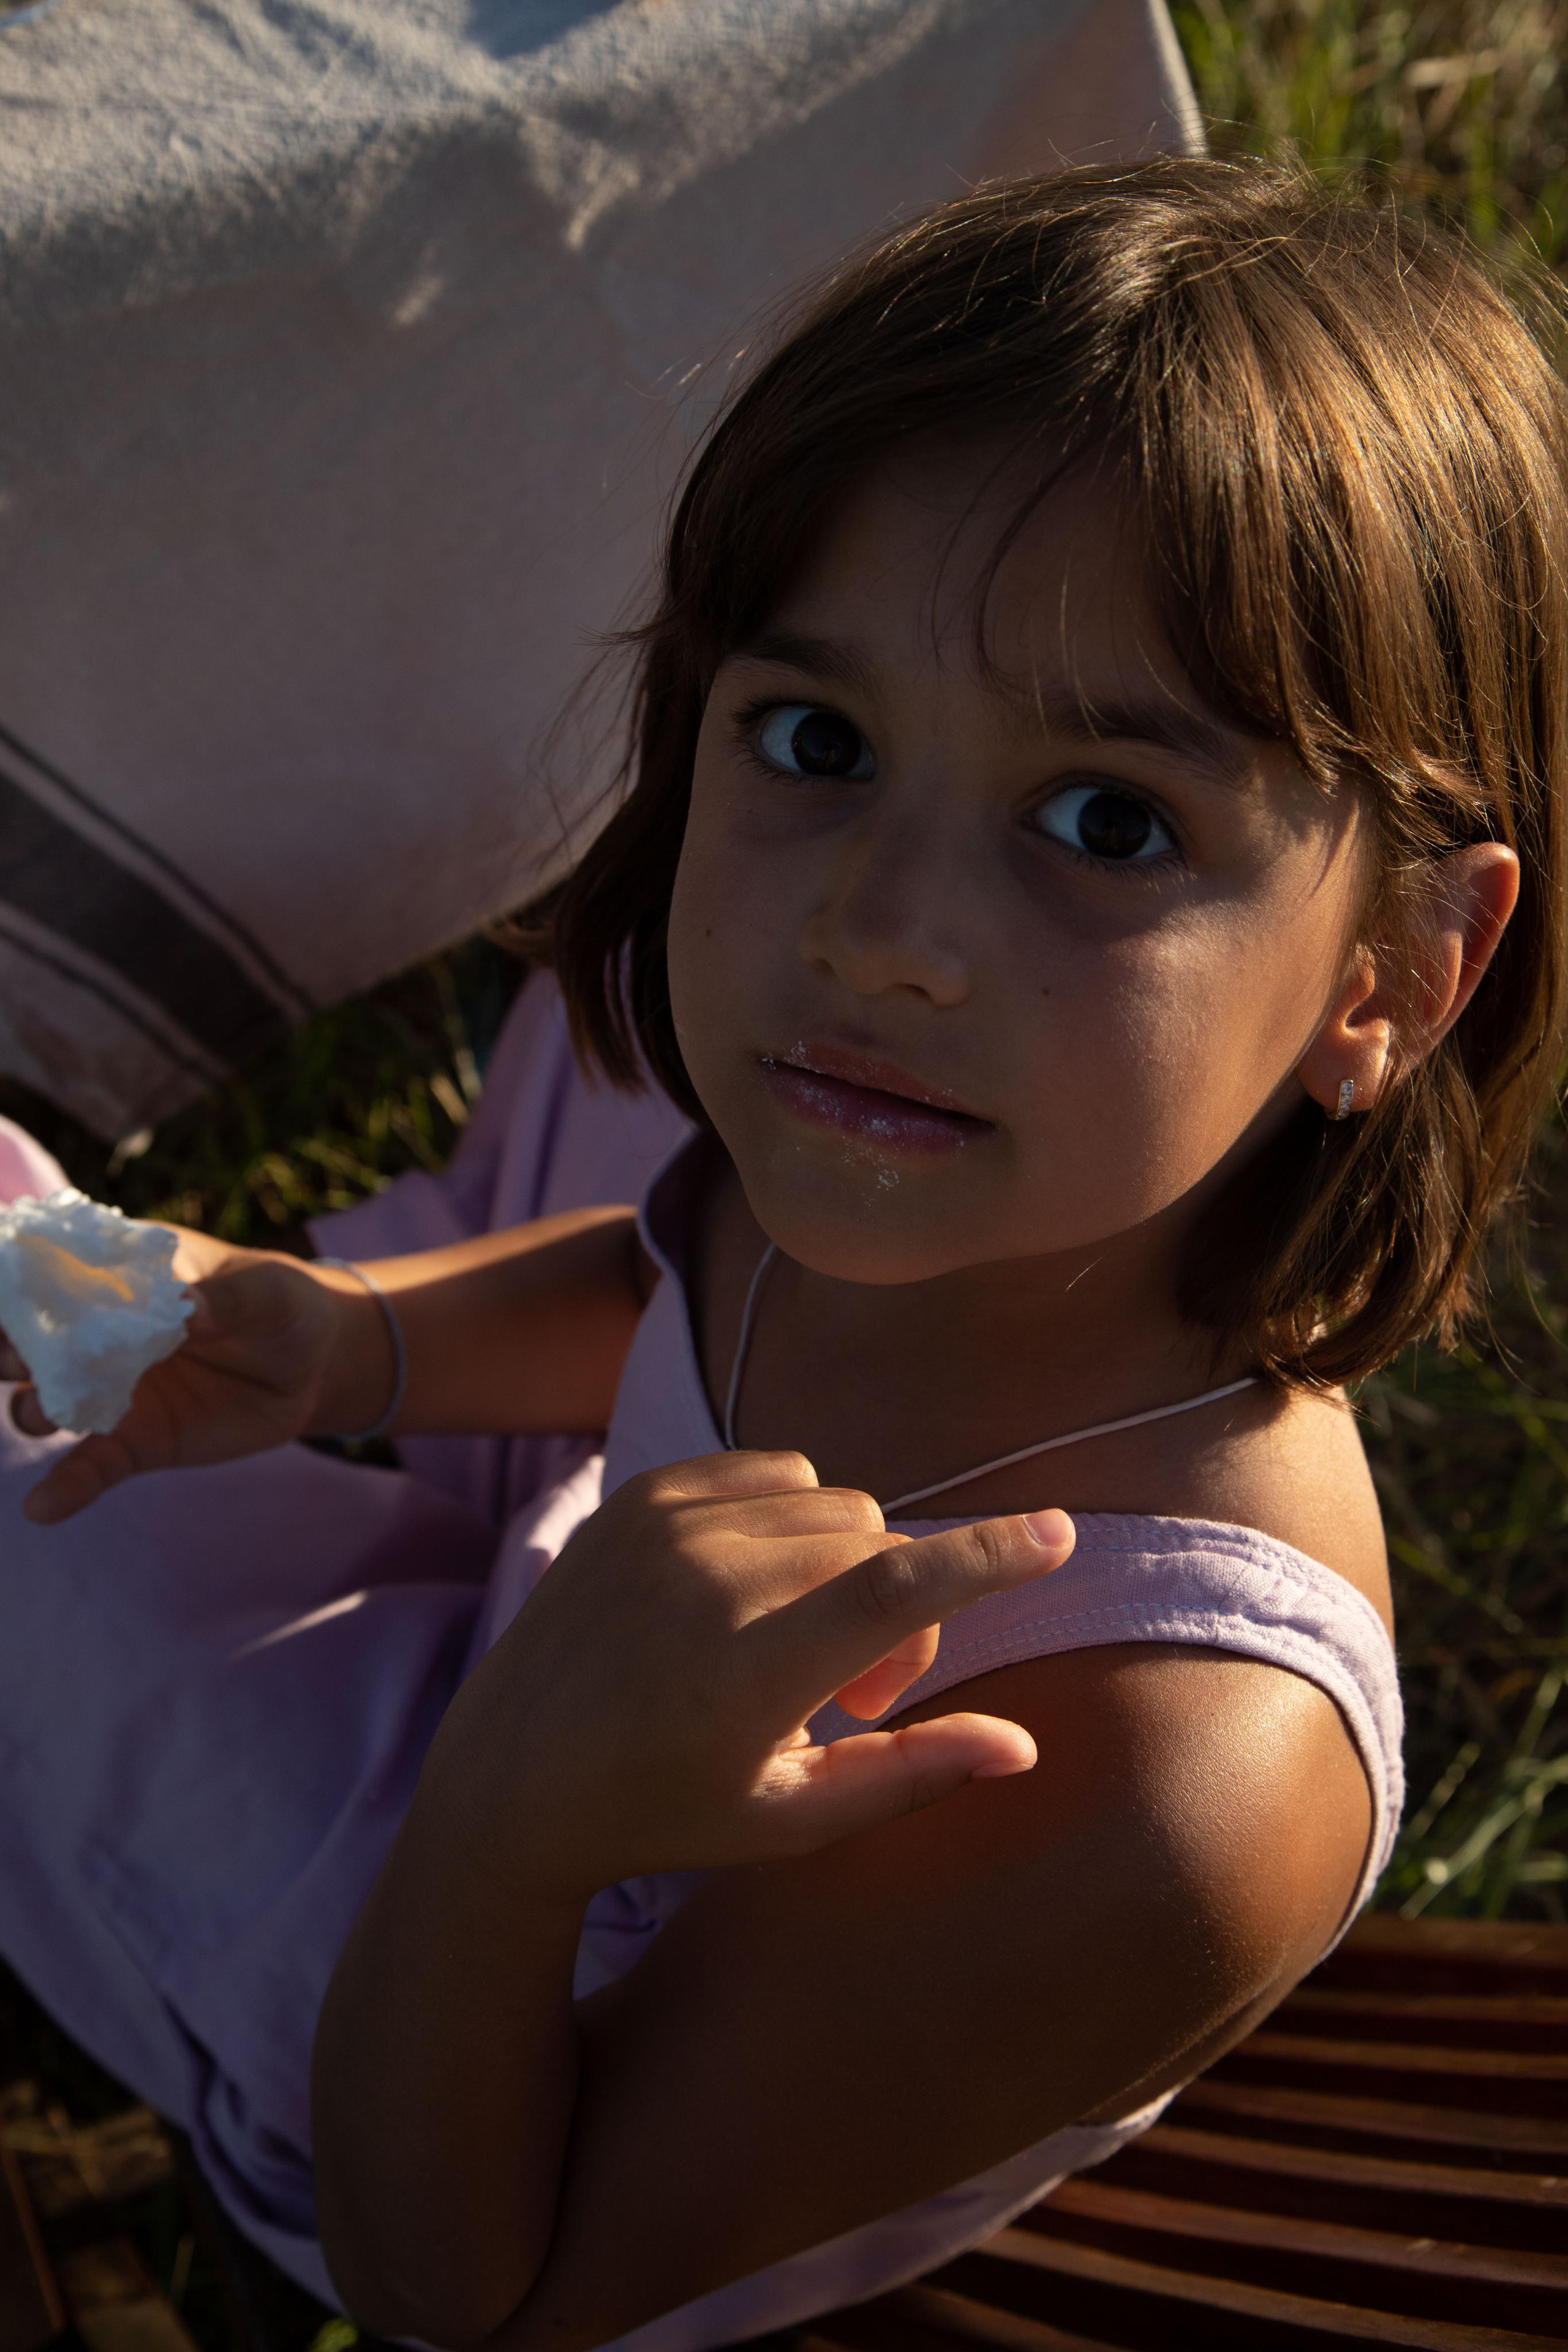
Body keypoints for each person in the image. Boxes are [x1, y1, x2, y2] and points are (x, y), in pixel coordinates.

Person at [1, 154, 1564, 2352]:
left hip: (441, 2020)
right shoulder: (945, 1160)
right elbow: (683, 1288)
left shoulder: (1168, 1762)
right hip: (552, 1658)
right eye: (815, 742)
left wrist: (516, 1823)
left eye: (1109, 820)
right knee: (580, 1074)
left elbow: (472, 2287)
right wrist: (357, 1352)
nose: (877, 935)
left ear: (1395, 967)